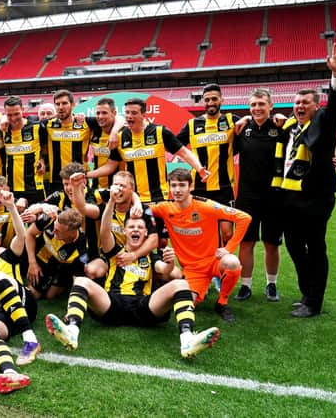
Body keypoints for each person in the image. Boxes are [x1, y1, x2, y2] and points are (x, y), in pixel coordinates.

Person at [45, 181, 220, 358]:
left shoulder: (152, 256)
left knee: (181, 283)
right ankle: (72, 331)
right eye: (131, 227)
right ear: (125, 232)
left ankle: (187, 340)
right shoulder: (114, 250)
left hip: (143, 306)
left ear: (145, 233)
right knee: (82, 280)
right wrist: (112, 202)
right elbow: (105, 231)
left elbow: (166, 271)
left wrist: (170, 263)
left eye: (140, 228)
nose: (135, 230)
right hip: (112, 304)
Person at [273, 40, 336, 318]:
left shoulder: (323, 122)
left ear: (316, 107)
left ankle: (314, 302)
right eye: (296, 102)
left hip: (315, 197)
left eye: (305, 102)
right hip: (290, 197)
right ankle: (308, 292)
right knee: (293, 245)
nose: (299, 105)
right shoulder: (292, 127)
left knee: (316, 247)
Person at [150, 168, 251, 322]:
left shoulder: (206, 206)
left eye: (182, 185)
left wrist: (228, 248)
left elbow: (244, 218)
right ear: (169, 187)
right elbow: (141, 208)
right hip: (193, 269)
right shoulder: (165, 208)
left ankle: (222, 302)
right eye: (174, 185)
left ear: (190, 187)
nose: (177, 190)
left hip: (214, 261)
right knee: (185, 304)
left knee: (232, 262)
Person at [0, 190, 39, 394]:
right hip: (3, 310)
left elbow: (22, 235)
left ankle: (30, 340)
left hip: (23, 300)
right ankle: (10, 373)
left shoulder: (6, 258)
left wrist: (11, 207)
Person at [86, 97, 209, 203]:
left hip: (158, 197)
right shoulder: (120, 136)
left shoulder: (160, 132)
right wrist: (86, 175)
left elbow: (184, 153)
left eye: (134, 113)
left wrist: (199, 168)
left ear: (144, 114)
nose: (129, 116)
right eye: (127, 113)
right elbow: (110, 166)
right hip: (133, 198)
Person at [233, 88, 286, 301]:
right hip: (247, 196)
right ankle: (245, 285)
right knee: (246, 243)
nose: (257, 108)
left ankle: (271, 284)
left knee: (271, 243)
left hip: (274, 195)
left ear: (270, 106)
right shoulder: (242, 129)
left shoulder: (281, 127)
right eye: (253, 105)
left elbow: (305, 132)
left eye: (261, 104)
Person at [25, 208, 87, 300]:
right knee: (34, 294)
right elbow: (29, 234)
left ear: (72, 232)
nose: (53, 232)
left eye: (58, 231)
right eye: (54, 227)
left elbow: (78, 277)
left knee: (50, 296)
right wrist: (32, 262)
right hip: (37, 255)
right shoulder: (49, 218)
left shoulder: (81, 249)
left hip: (60, 267)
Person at [3, 95, 47, 205]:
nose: (13, 118)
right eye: (9, 115)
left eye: (16, 114)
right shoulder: (2, 130)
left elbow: (46, 147)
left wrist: (42, 159)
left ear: (23, 110)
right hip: (12, 187)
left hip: (35, 186)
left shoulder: (36, 126)